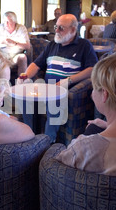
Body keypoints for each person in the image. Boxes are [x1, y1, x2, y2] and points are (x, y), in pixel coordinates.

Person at [18, 14, 98, 143]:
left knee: (55, 102)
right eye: (56, 27)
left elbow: (92, 69)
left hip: (66, 91)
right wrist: (25, 75)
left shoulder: (84, 45)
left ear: (73, 30)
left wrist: (69, 80)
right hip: (46, 88)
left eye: (61, 28)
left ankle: (48, 142)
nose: (56, 31)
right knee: (25, 97)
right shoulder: (52, 45)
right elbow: (36, 64)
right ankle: (30, 136)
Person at [0, 11, 31, 76]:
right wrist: (1, 42)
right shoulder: (0, 27)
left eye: (8, 21)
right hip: (2, 55)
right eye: (5, 21)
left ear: (14, 21)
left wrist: (15, 43)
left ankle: (21, 83)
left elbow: (27, 46)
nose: (6, 24)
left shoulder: (21, 28)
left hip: (16, 55)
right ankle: (0, 83)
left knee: (23, 58)